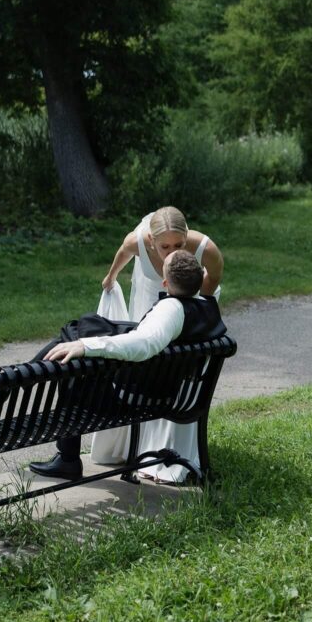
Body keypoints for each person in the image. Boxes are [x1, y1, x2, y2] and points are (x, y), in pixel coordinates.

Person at [29, 249, 226, 480]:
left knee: (73, 364)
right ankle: (32, 372)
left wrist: (86, 346)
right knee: (82, 327)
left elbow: (144, 343)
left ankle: (67, 458)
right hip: (171, 392)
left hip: (137, 399)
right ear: (201, 278)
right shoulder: (208, 308)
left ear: (165, 282)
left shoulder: (172, 309)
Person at [98, 206, 224, 483]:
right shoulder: (137, 242)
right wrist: (111, 277)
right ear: (151, 242)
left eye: (179, 245)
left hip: (184, 304)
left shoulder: (206, 249)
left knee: (178, 370)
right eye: (164, 246)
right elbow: (122, 254)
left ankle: (173, 451)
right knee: (150, 367)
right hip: (148, 301)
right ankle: (142, 447)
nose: (172, 252)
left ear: (187, 236)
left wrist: (190, 307)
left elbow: (213, 279)